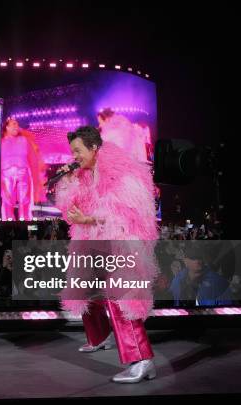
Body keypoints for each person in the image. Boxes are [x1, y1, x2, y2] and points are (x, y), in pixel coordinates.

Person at [55, 125, 158, 383]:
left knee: (122, 300)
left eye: (78, 151)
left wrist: (89, 219)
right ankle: (106, 339)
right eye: (72, 152)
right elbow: (72, 208)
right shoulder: (86, 174)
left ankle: (142, 360)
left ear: (94, 147)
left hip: (122, 244)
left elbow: (124, 214)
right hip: (98, 244)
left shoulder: (119, 172)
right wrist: (67, 183)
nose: (74, 156)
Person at [0, 117, 46, 220]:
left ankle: (24, 219)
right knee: (7, 199)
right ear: (7, 127)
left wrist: (37, 175)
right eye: (14, 124)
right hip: (6, 173)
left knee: (24, 199)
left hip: (22, 171)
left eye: (17, 124)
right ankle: (8, 220)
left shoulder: (23, 140)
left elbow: (34, 158)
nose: (16, 126)